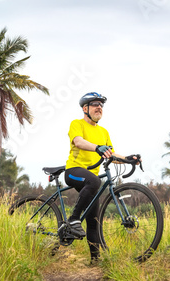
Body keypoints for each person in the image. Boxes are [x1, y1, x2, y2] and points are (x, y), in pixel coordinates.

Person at [64, 92, 132, 260]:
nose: (99, 107)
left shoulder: (103, 131)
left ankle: (95, 261)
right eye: (95, 104)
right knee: (95, 180)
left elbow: (111, 155)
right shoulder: (76, 124)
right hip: (74, 171)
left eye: (101, 104)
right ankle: (73, 220)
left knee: (94, 222)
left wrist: (129, 159)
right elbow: (78, 142)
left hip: (90, 181)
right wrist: (97, 148)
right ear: (85, 108)